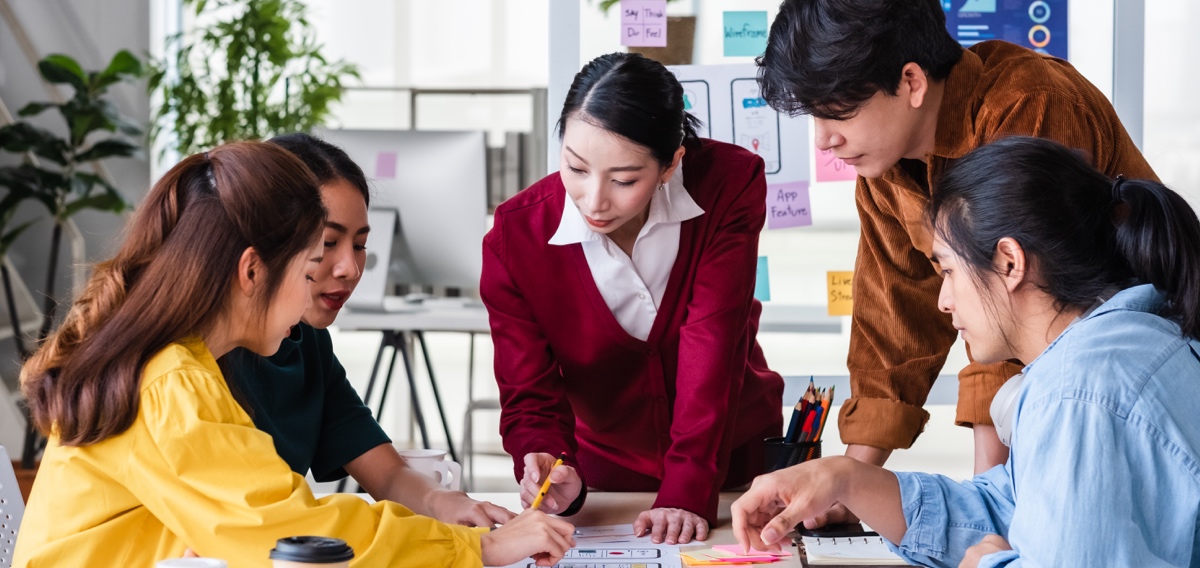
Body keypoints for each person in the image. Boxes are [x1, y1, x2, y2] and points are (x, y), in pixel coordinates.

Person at [13, 141, 574, 567]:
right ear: (252, 270)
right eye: (310, 267)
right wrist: (479, 549)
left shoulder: (179, 362)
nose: (321, 287)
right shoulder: (171, 383)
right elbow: (292, 531)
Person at [757, 0, 1159, 500]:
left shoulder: (1028, 105)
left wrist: (990, 497)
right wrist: (846, 484)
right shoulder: (886, 164)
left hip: (1131, 391)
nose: (825, 140)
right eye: (814, 117)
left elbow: (1020, 304)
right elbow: (893, 322)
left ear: (911, 82)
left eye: (839, 114)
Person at [731, 136, 1200, 567]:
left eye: (949, 271)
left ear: (1010, 262)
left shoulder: (1077, 393)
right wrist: (842, 478)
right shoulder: (1124, 347)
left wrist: (982, 566)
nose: (943, 300)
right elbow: (1004, 510)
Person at [481, 52, 783, 545]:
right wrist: (547, 459)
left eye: (624, 180)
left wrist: (687, 486)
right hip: (606, 484)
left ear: (671, 164)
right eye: (575, 168)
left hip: (735, 471)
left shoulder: (728, 184)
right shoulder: (516, 238)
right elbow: (528, 391)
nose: (594, 199)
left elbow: (714, 340)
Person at [222, 133, 513, 527]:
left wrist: (448, 505)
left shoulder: (305, 342)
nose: (350, 269)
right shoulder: (196, 360)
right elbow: (262, 519)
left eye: (359, 245)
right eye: (326, 243)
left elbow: (387, 472)